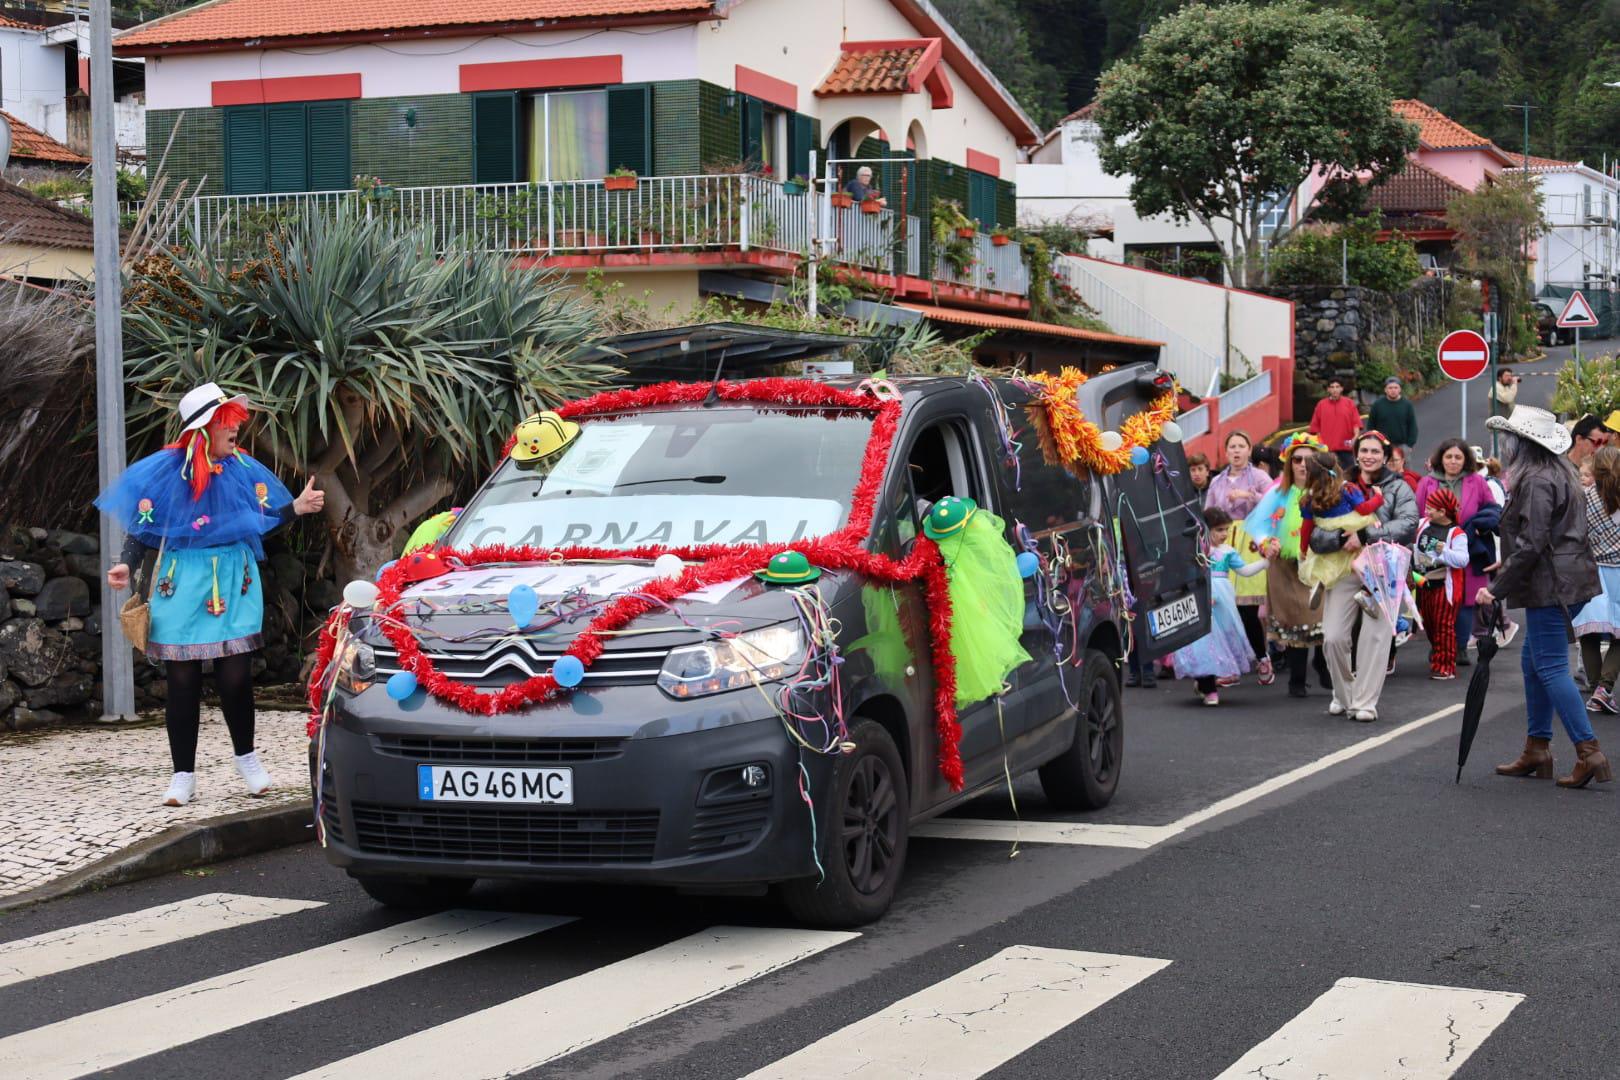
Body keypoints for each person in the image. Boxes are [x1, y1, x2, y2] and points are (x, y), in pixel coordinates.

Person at [99, 384, 325, 806]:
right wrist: (126, 564)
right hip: (182, 581)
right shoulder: (169, 471)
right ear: (203, 429)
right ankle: (182, 776)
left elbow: (261, 521)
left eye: (234, 421)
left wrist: (297, 507)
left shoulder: (242, 468)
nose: (234, 428)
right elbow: (144, 528)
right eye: (225, 422)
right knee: (182, 681)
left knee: (235, 677)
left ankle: (247, 759)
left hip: (234, 579)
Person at [1482, 405, 1610, 788]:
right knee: (1533, 662)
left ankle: (1589, 752)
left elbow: (1533, 541)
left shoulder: (1536, 478)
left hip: (1551, 584)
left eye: (1510, 439)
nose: (1505, 445)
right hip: (1565, 579)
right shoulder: (1558, 471)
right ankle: (1537, 748)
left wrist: (1496, 588)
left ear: (1521, 443)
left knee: (1551, 667)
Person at [1247, 433, 1332, 698]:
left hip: (1319, 563)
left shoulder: (1327, 491)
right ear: (1289, 463)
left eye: (1309, 459)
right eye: (1297, 459)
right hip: (1286, 566)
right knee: (1296, 619)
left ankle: (1322, 663)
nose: (1303, 465)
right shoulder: (1278, 492)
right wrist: (1266, 543)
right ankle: (1297, 678)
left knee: (1323, 617)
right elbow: (1258, 524)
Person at [1167, 507, 1267, 705]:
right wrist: (1201, 593)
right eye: (1219, 530)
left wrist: (1265, 563)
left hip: (1223, 604)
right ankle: (1208, 688)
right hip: (1202, 596)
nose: (1224, 534)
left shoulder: (1227, 552)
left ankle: (1206, 682)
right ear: (1206, 529)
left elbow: (1244, 570)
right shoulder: (1196, 551)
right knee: (1204, 641)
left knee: (1221, 644)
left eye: (1226, 529)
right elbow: (1186, 574)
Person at [1414, 439, 1496, 667]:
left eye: (1458, 457)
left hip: (1467, 547)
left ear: (1465, 460)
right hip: (1432, 552)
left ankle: (1459, 647)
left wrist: (1481, 525)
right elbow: (1418, 513)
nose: (1453, 461)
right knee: (1433, 602)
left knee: (1465, 602)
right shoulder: (1427, 482)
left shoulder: (1477, 481)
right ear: (1440, 459)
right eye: (1448, 456)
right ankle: (1438, 644)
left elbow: (1492, 509)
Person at [1203, 430, 1276, 684]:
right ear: (1226, 452)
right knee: (1222, 608)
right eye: (1232, 446)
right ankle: (1228, 665)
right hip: (1222, 542)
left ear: (1249, 450)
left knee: (1247, 608)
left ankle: (1262, 657)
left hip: (1251, 539)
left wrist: (1249, 495)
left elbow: (1275, 503)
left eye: (1241, 446)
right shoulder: (1217, 481)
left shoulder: (1259, 477)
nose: (1236, 451)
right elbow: (1207, 513)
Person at [1346, 431, 1420, 677]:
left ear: (1385, 457)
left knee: (1378, 626)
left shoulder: (1399, 487)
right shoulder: (1343, 485)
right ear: (1356, 455)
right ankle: (1353, 673)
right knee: (1347, 628)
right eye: (1364, 450)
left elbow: (1408, 523)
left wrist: (1366, 535)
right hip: (1345, 565)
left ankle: (1376, 668)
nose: (1369, 456)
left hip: (1383, 566)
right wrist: (1336, 539)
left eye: (1375, 451)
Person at [1572, 446, 1620, 714]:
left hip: (1589, 571)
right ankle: (1604, 688)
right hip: (1618, 572)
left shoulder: (1583, 497)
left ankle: (1595, 688)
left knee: (1588, 632)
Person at [1412, 488, 1470, 680]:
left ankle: (1445, 667)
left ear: (1443, 511)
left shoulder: (1457, 533)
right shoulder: (1422, 524)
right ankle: (1439, 655)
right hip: (1422, 582)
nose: (1426, 511)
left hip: (1444, 586)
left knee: (1443, 626)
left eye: (1431, 508)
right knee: (1429, 625)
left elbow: (1462, 560)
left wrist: (1440, 549)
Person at [1308, 376, 1362, 470]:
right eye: (1332, 387)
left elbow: (1356, 423)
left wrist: (1355, 438)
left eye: (1337, 387)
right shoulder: (1321, 405)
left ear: (1342, 388)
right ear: (1328, 389)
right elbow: (1315, 428)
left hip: (1346, 448)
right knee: (1327, 475)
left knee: (1349, 474)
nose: (1335, 389)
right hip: (1327, 450)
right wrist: (1319, 445)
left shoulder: (1349, 403)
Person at [1367, 377, 1418, 454]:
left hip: (1402, 446)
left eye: (1395, 387)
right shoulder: (1377, 405)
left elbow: (1412, 426)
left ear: (1400, 389)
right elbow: (1371, 426)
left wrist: (1410, 444)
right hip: (1382, 445)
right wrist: (1373, 442)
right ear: (1385, 390)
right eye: (1390, 388)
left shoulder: (1407, 405)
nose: (1393, 390)